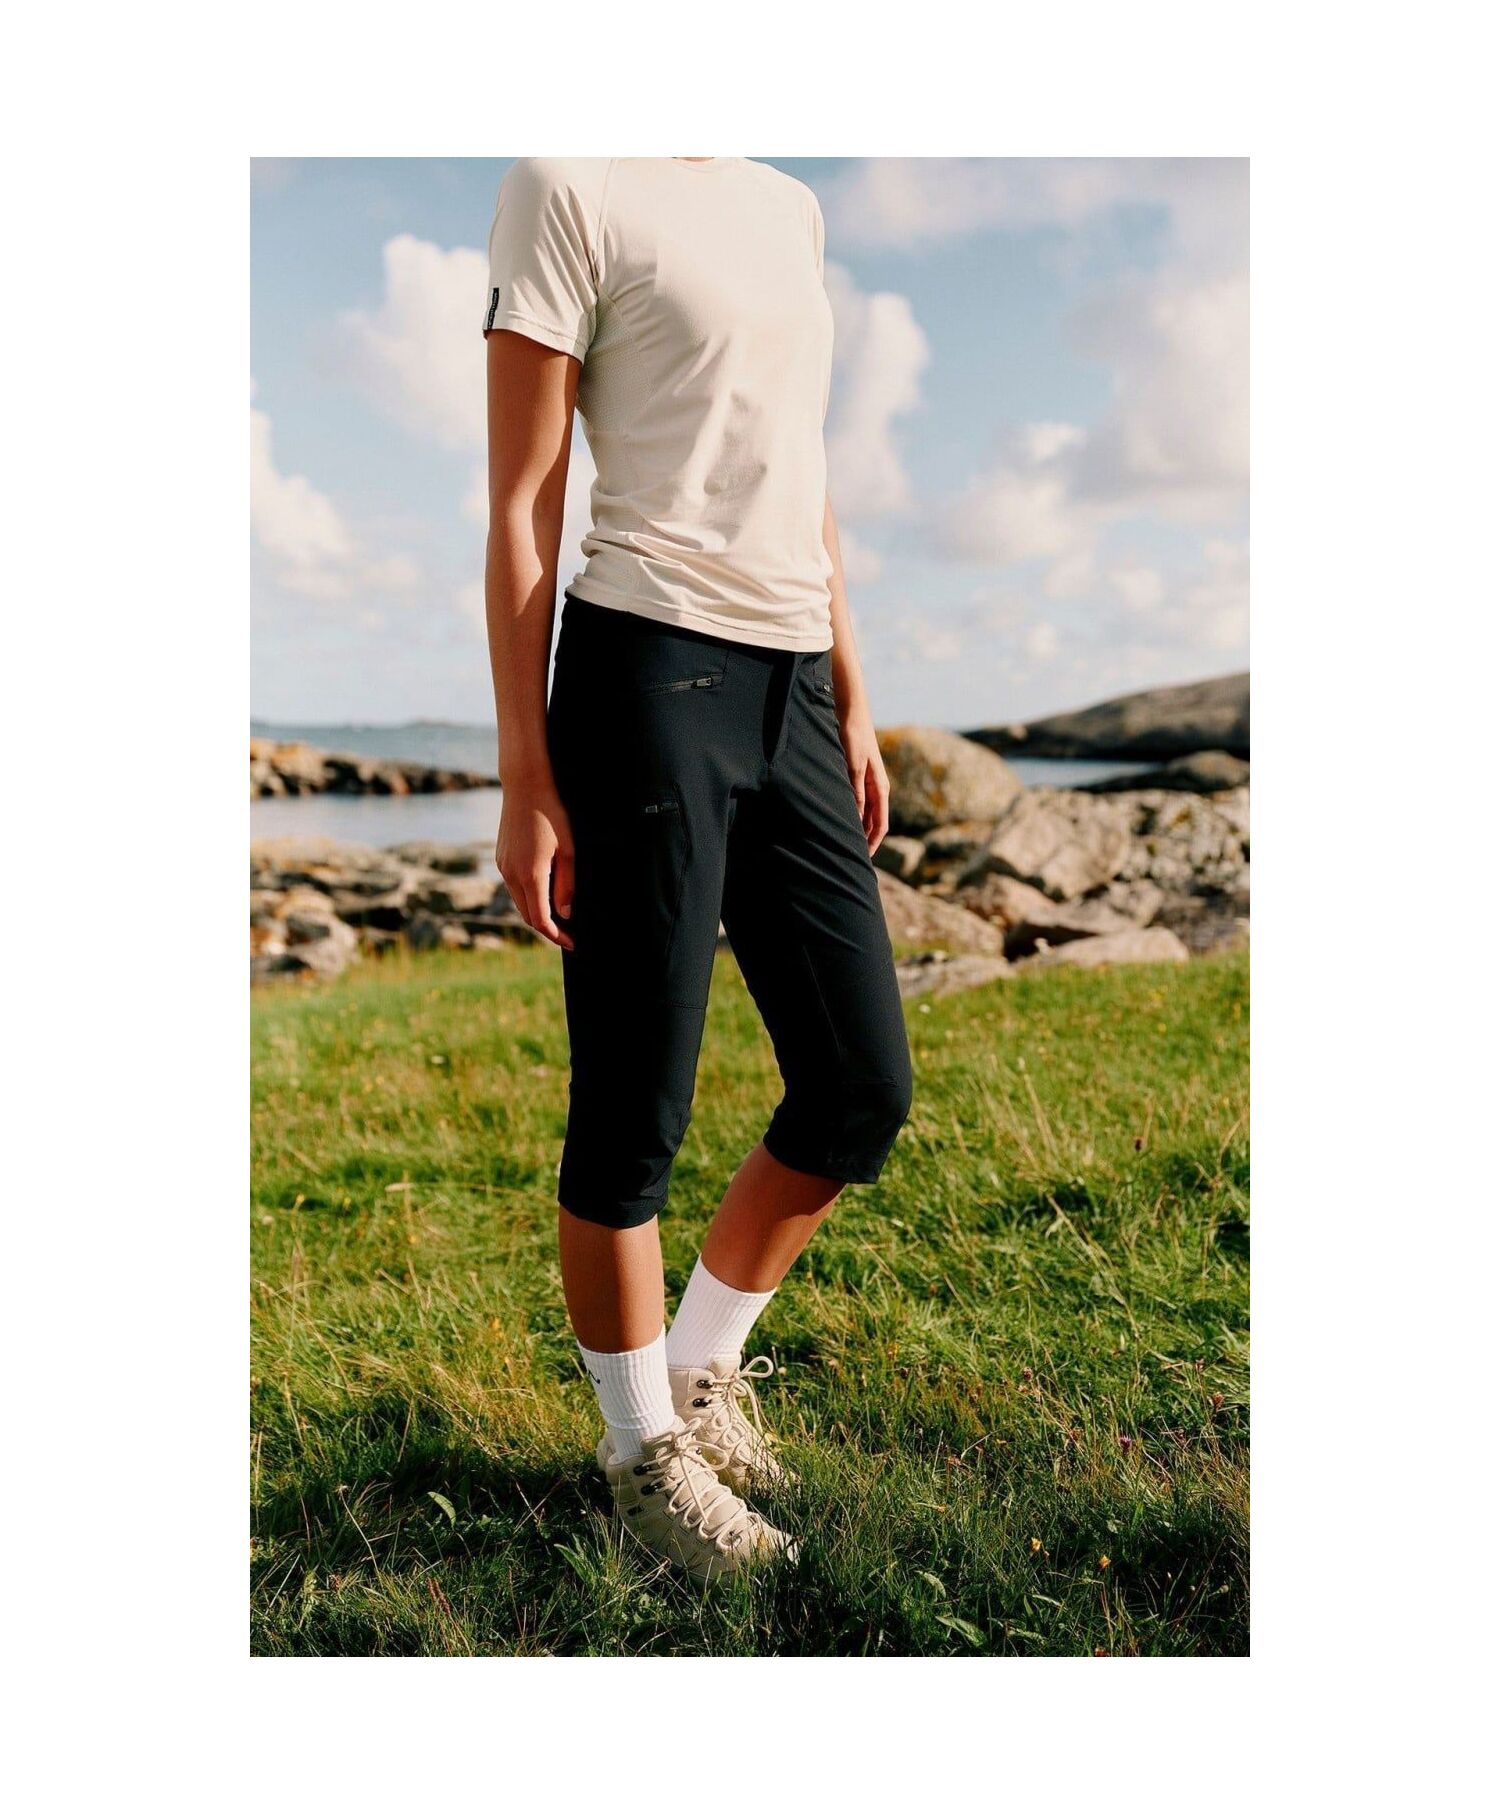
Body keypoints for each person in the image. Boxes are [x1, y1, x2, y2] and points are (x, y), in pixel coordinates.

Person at [481, 157, 912, 1583]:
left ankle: (700, 1368)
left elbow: (801, 468)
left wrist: (850, 693)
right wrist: (529, 772)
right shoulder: (565, 185)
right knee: (634, 1107)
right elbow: (525, 502)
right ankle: (640, 1455)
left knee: (858, 1084)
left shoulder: (789, 204)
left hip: (793, 680)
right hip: (646, 669)